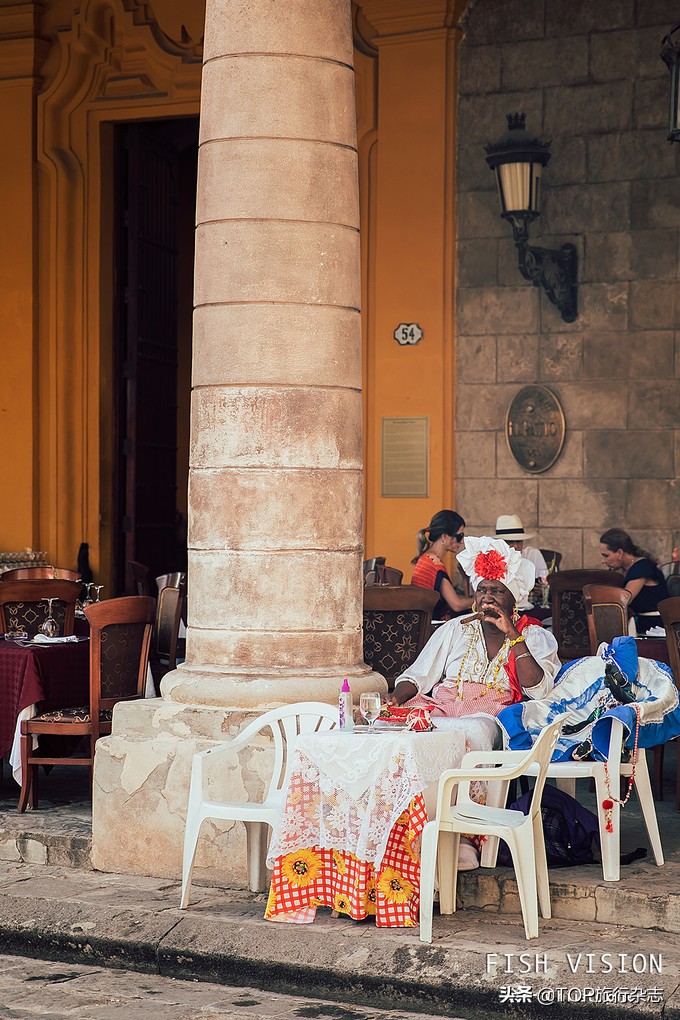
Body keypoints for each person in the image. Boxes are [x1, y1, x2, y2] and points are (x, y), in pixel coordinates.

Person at [391, 536, 561, 869]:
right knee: (401, 732)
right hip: (442, 706)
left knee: (469, 735)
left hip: (490, 716)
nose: (487, 598)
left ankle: (463, 837)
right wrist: (393, 698)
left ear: (514, 598)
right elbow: (419, 676)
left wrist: (514, 635)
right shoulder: (455, 629)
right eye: (482, 590)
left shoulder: (534, 636)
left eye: (496, 591)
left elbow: (539, 690)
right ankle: (406, 829)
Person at [599, 528, 669, 634]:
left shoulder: (642, 566)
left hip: (655, 628)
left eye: (606, 556)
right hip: (640, 625)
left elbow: (625, 599)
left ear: (619, 552)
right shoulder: (622, 570)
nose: (603, 561)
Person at [410, 510, 473, 620]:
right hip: (430, 628)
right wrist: (481, 599)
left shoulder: (426, 558)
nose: (462, 541)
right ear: (444, 537)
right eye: (459, 536)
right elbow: (457, 604)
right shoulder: (434, 564)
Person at [494, 514, 548, 583]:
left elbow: (545, 581)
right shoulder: (492, 559)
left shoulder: (533, 554)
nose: (516, 546)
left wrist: (541, 587)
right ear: (501, 543)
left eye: (519, 541)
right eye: (510, 542)